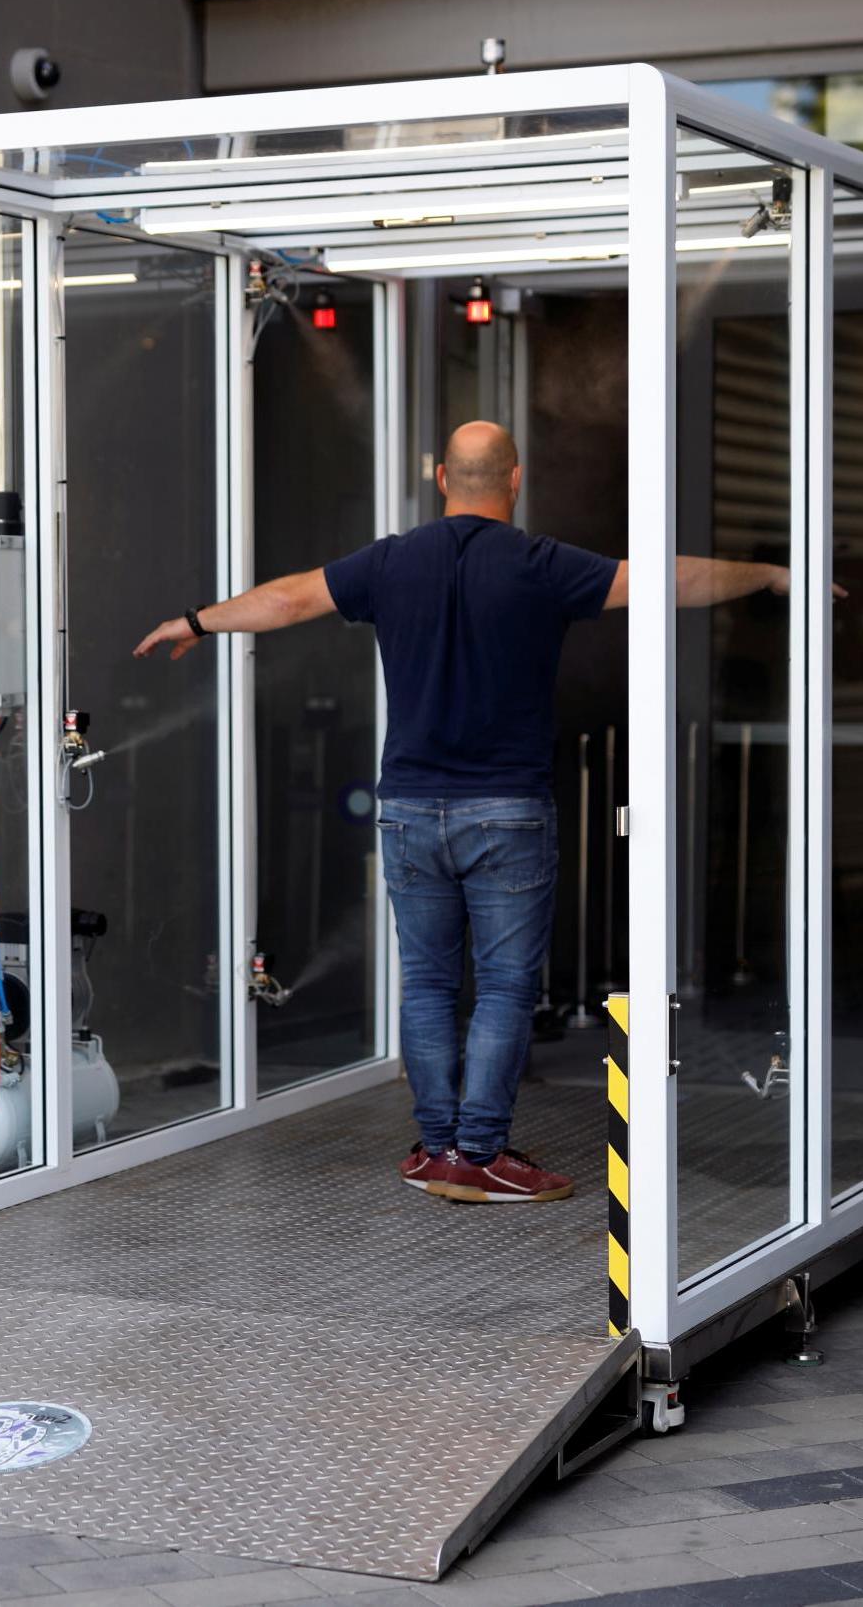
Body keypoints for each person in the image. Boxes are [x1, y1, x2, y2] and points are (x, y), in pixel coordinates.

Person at [133, 421, 794, 1205]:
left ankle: (439, 1146)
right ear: (513, 481)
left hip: (410, 808)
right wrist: (770, 576)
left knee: (429, 984)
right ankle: (479, 1150)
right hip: (506, 811)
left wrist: (197, 620)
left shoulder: (389, 560)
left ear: (442, 478)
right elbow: (668, 580)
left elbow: (288, 599)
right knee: (506, 987)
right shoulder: (542, 564)